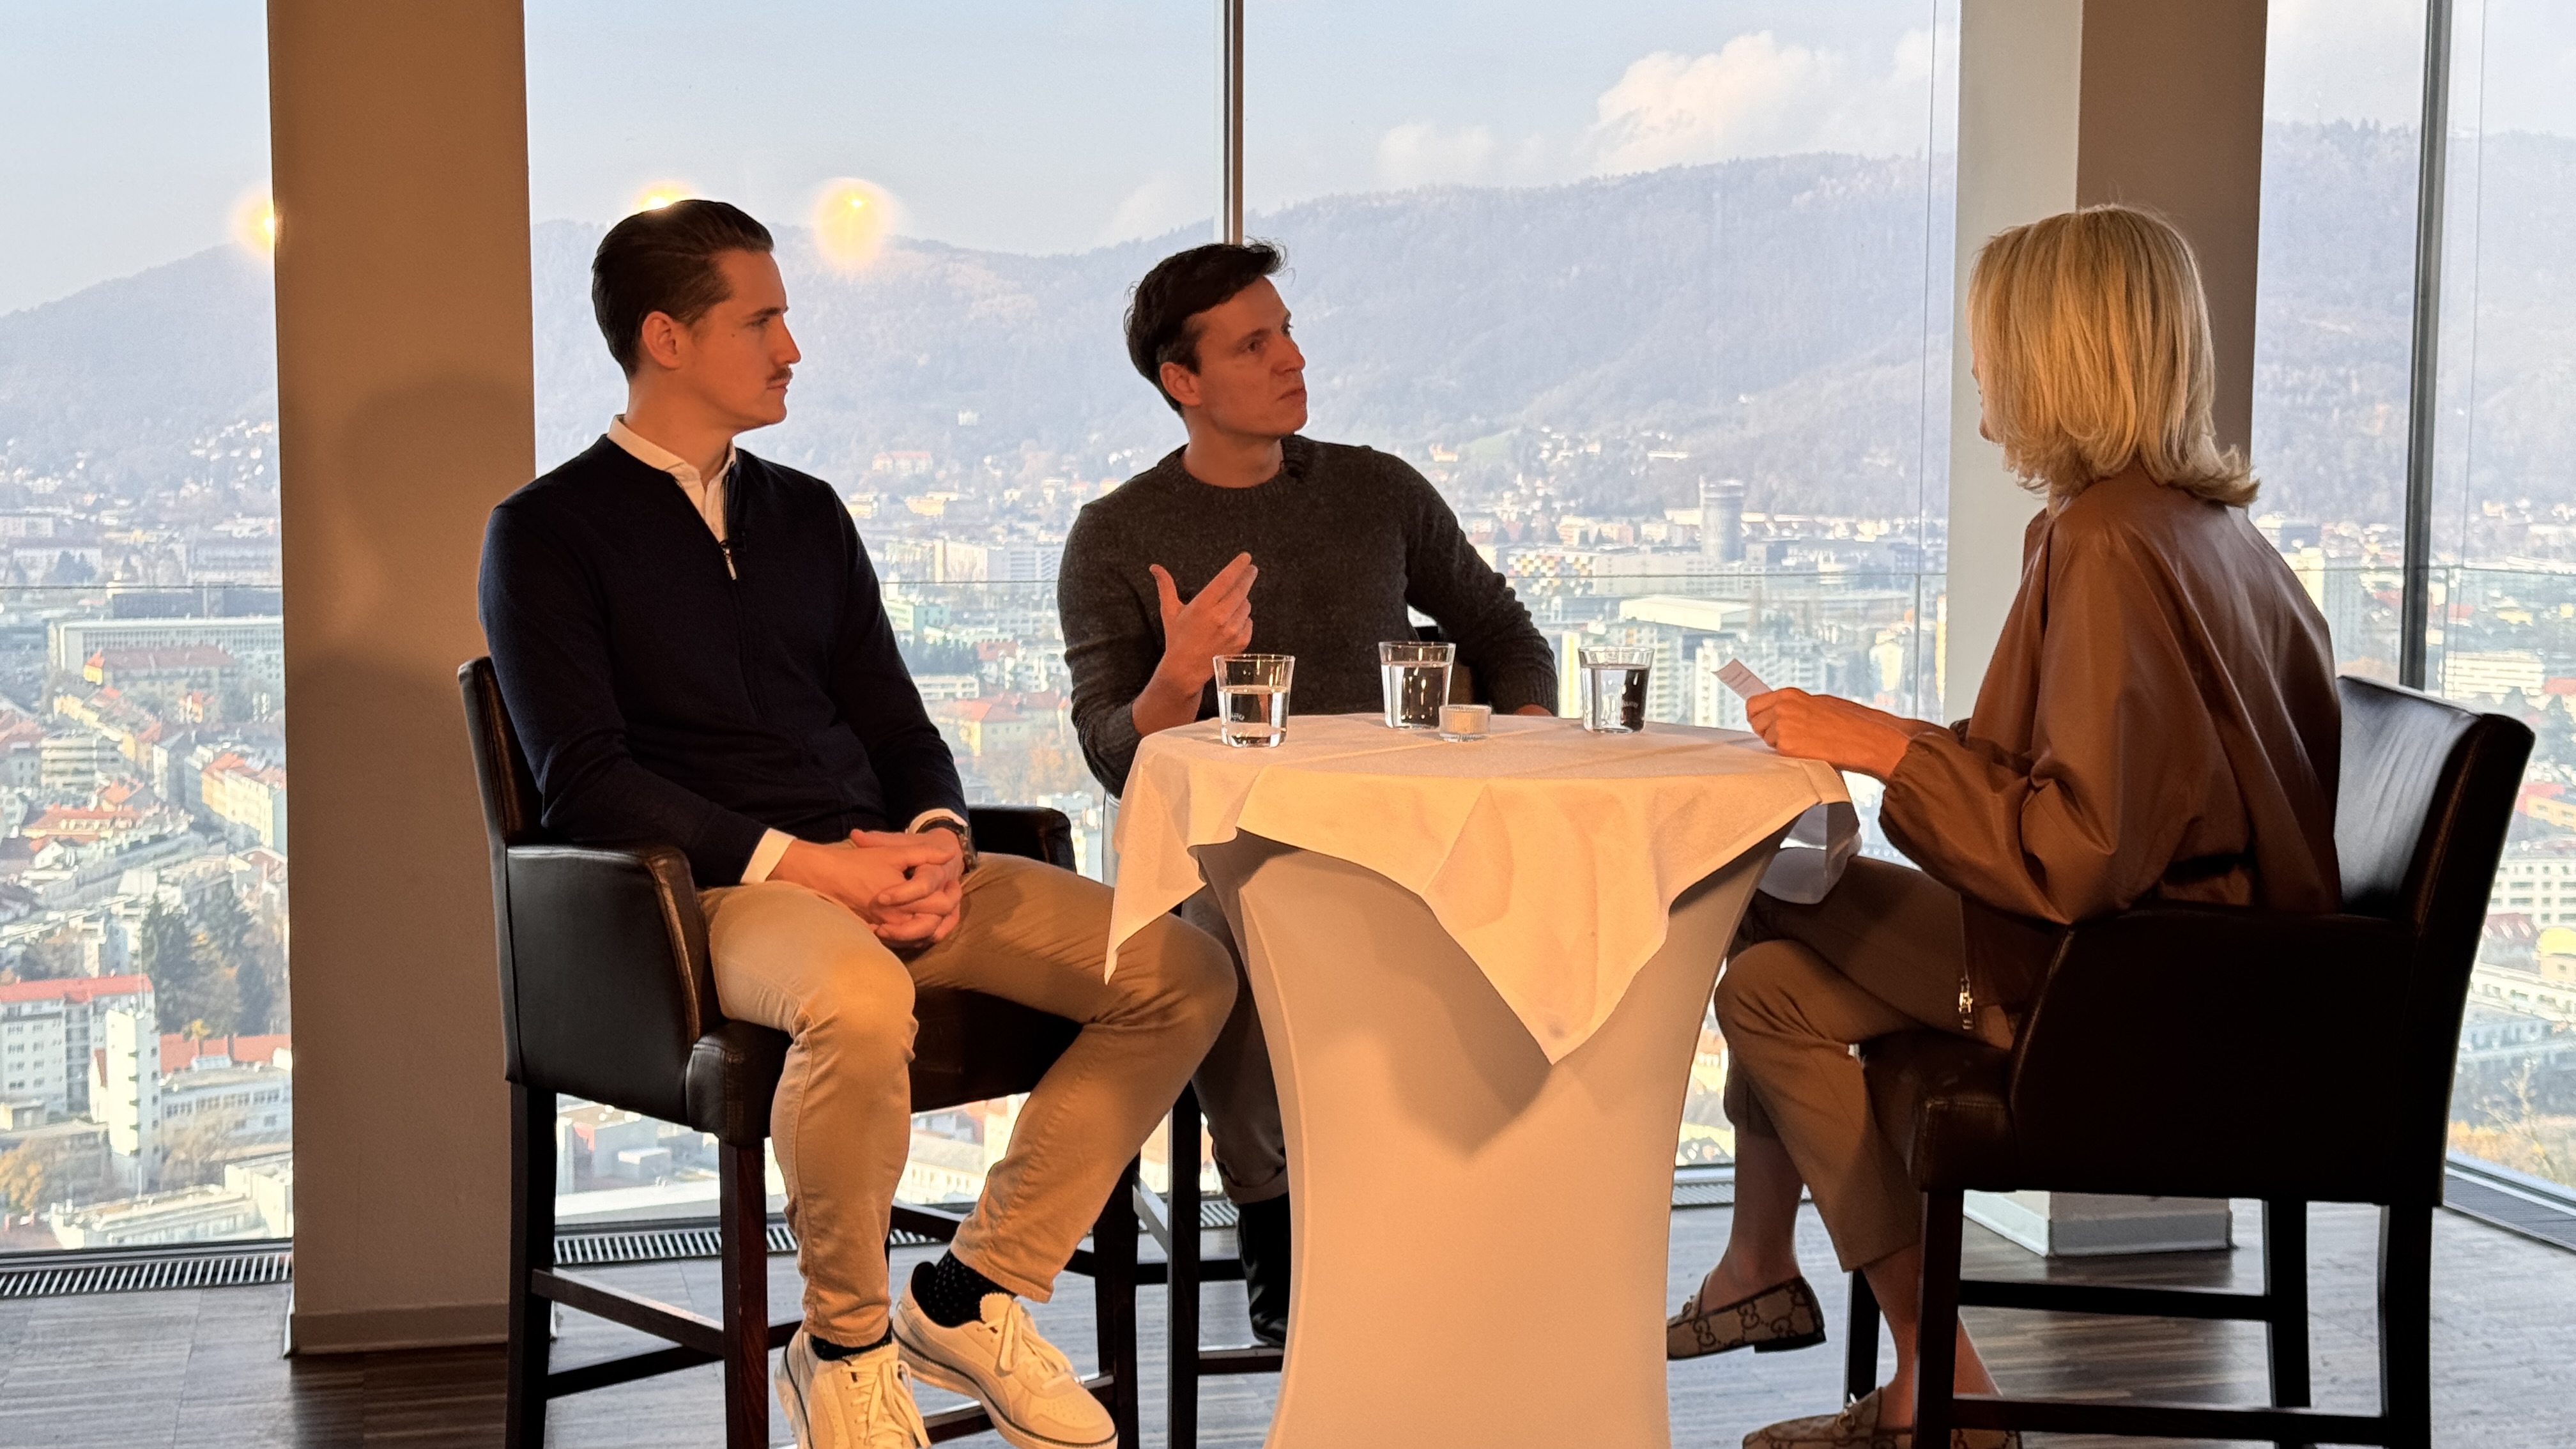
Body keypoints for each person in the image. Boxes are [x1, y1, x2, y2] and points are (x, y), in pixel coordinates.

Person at [479, 200, 1235, 1449]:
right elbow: (588, 782)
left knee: (1184, 972)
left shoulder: (809, 515)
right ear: (666, 338)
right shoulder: (545, 535)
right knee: (861, 1000)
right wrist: (818, 871)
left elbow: (894, 722)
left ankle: (972, 1293)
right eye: (762, 320)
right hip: (717, 897)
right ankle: (842, 1348)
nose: (792, 348)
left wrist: (936, 840)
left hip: (883, 865)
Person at [1669, 205, 2341, 1449]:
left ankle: (1828, 1307)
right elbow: (2101, 781)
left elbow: (2080, 851)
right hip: (2195, 968)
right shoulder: (2213, 535)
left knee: (1762, 901)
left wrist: (1887, 750)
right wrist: (1887, 737)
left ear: (2055, 356)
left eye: (1991, 346)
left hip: (2118, 982)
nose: (1978, 374)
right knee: (1767, 992)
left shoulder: (2106, 543)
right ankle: (1890, 1345)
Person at [1057, 240, 1559, 1346]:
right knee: (1223, 939)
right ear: (1182, 381)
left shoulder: (1377, 490)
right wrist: (1178, 675)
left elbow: (1507, 634)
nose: (1292, 359)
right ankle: (1278, 1226)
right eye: (1254, 345)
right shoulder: (1117, 536)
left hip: (1408, 844)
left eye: (1285, 332)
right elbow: (1110, 750)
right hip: (1236, 860)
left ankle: (1493, 1217)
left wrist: (1519, 753)